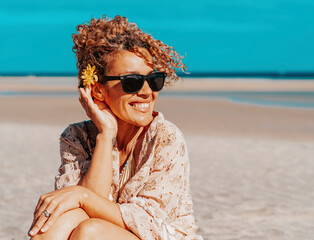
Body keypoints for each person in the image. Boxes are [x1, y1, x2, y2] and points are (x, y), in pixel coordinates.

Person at [28, 15, 202, 240]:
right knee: (52, 225)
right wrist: (106, 133)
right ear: (98, 90)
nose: (147, 92)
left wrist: (83, 196)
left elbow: (149, 223)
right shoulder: (77, 137)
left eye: (154, 79)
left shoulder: (166, 137)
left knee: (90, 232)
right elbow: (75, 210)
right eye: (132, 82)